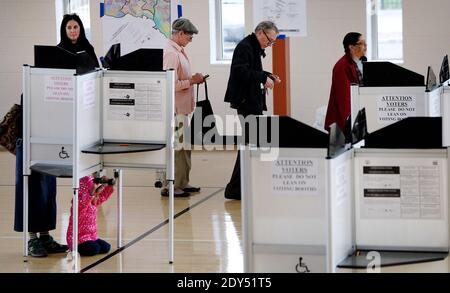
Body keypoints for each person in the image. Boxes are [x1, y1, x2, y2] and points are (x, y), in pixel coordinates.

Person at [13, 14, 100, 258]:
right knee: (31, 185)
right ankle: (32, 239)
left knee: (48, 187)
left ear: (81, 30)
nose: (73, 30)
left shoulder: (88, 53)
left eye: (76, 27)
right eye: (69, 27)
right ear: (64, 30)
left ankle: (46, 236)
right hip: (36, 132)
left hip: (62, 132)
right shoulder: (53, 57)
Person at [223, 21, 281, 200]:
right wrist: (263, 77)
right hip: (246, 102)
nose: (270, 45)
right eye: (270, 40)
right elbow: (240, 72)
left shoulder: (252, 46)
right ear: (260, 33)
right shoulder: (245, 47)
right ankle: (234, 189)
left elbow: (252, 71)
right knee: (249, 145)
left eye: (273, 42)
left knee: (251, 144)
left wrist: (267, 75)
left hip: (251, 101)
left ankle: (239, 187)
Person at [161, 18, 205, 197]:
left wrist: (192, 80)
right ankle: (172, 186)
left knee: (184, 148)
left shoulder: (179, 51)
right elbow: (170, 84)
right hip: (175, 109)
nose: (190, 40)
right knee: (178, 149)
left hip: (182, 108)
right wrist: (192, 81)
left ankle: (182, 182)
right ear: (179, 34)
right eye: (189, 36)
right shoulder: (171, 54)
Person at [324, 32, 367, 132]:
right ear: (351, 47)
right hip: (343, 123)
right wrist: (351, 124)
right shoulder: (341, 66)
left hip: (358, 114)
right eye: (362, 44)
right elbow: (344, 98)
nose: (365, 47)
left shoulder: (360, 62)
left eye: (365, 44)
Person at [66, 174, 114, 256]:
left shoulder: (93, 202)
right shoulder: (78, 203)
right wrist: (92, 193)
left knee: (106, 247)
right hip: (78, 239)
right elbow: (84, 201)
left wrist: (108, 185)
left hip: (91, 236)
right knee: (94, 249)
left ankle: (91, 242)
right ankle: (74, 248)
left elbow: (103, 197)